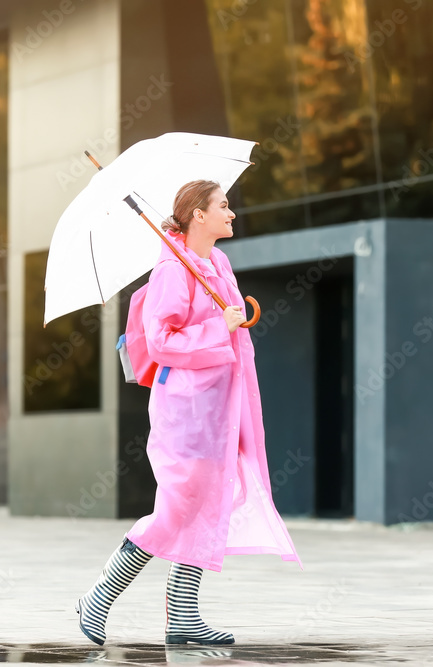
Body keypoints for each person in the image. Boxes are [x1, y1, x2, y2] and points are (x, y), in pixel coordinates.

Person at [76, 180, 302, 647]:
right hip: (186, 408)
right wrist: (219, 326)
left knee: (208, 501)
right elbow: (162, 342)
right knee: (178, 506)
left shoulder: (215, 262)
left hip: (221, 405)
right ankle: (100, 594)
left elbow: (227, 326)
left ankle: (183, 618)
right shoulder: (172, 272)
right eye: (223, 206)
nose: (231, 213)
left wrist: (232, 322)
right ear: (198, 215)